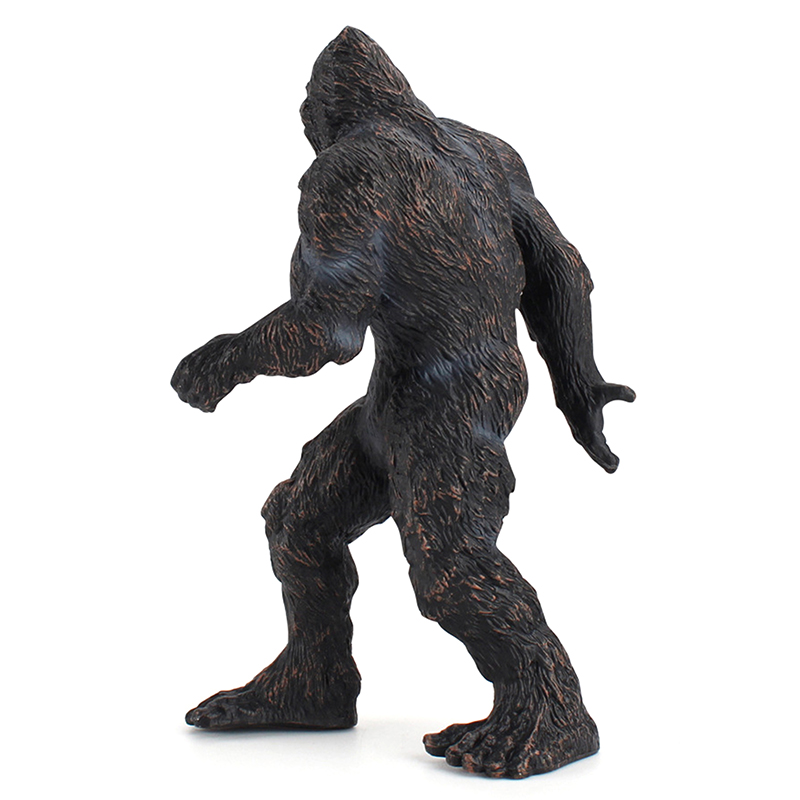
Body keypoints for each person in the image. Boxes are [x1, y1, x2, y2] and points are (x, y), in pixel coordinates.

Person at [172, 27, 634, 778]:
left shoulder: (350, 169)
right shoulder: (482, 152)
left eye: (307, 111)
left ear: (322, 110)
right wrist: (577, 385)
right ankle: (315, 680)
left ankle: (551, 710)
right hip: (416, 394)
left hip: (448, 405)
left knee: (452, 566)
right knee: (300, 520)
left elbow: (325, 332)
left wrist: (225, 361)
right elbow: (562, 271)